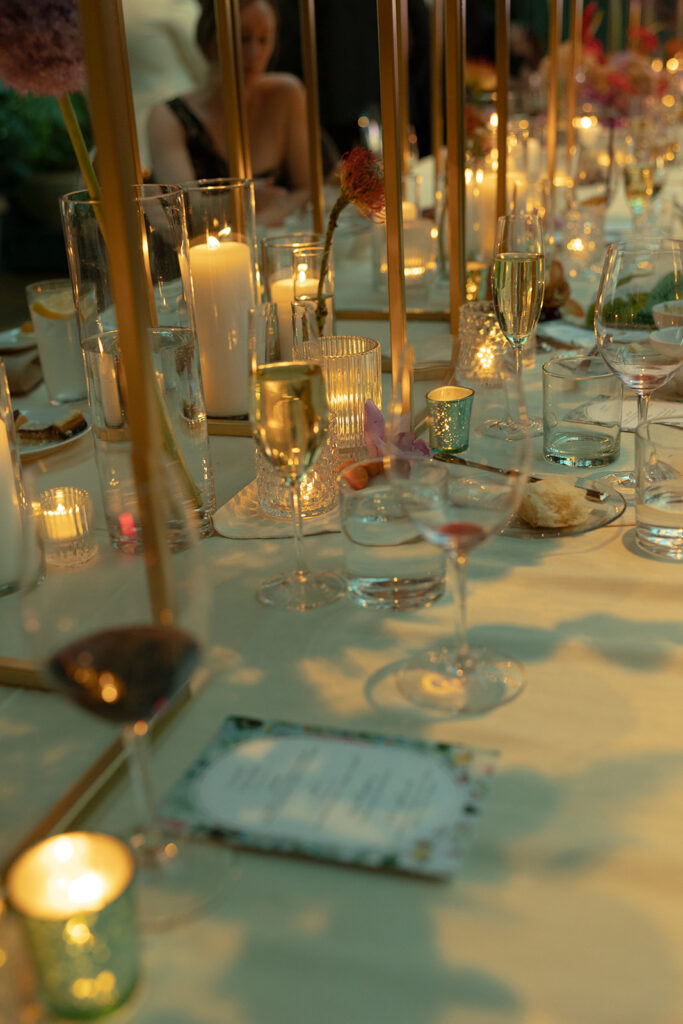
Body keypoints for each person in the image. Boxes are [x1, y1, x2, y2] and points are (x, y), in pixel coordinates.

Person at [147, 0, 312, 225]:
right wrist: (247, 199)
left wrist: (259, 223)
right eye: (242, 39)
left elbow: (309, 191)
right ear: (209, 40)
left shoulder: (286, 95)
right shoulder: (168, 118)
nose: (254, 53)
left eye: (264, 40)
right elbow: (185, 211)